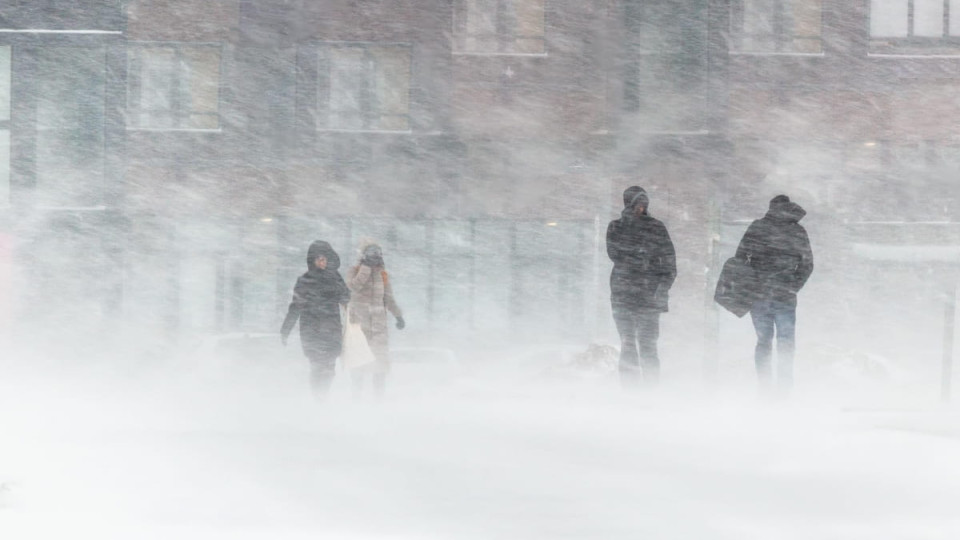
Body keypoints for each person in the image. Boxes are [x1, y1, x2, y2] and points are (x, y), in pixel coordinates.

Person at [734, 194, 814, 394]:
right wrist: (793, 285)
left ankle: (765, 387)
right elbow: (807, 264)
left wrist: (751, 282)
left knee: (764, 341)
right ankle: (784, 387)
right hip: (784, 296)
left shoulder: (758, 227)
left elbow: (740, 259)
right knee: (786, 342)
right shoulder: (796, 230)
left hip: (759, 295)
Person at [606, 186, 677, 389]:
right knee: (628, 344)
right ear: (628, 204)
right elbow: (614, 254)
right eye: (637, 203)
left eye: (644, 204)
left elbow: (670, 263)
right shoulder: (616, 227)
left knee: (648, 346)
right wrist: (642, 254)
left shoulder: (656, 227)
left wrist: (662, 288)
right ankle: (631, 391)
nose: (641, 208)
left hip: (648, 297)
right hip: (623, 295)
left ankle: (651, 390)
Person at [281, 240, 351, 400]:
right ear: (312, 260)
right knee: (318, 366)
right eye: (319, 259)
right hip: (311, 330)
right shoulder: (305, 281)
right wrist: (286, 328)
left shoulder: (335, 278)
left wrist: (336, 282)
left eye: (325, 259)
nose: (322, 262)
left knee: (330, 368)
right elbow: (295, 306)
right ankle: (318, 399)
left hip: (332, 329)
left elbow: (346, 298)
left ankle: (322, 397)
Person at [347, 241, 405, 399]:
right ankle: (356, 397)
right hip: (359, 324)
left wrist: (398, 315)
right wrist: (365, 269)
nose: (375, 259)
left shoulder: (382, 275)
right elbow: (354, 287)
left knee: (380, 364)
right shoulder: (354, 271)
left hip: (379, 327)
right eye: (372, 255)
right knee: (359, 362)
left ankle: (378, 398)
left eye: (377, 255)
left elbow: (389, 298)